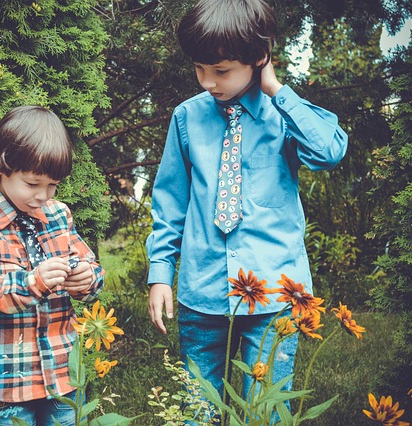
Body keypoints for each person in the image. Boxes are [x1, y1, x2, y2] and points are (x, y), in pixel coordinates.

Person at [146, 0, 348, 408]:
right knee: (197, 410)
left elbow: (329, 151)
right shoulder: (186, 119)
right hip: (201, 295)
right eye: (199, 69)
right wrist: (161, 272)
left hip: (275, 294)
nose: (207, 81)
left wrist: (276, 90)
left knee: (265, 410)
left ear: (259, 58)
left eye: (220, 71)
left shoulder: (284, 116)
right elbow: (170, 203)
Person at [0, 106, 104, 426]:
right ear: (2, 167)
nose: (44, 195)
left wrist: (87, 278)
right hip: (6, 382)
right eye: (33, 184)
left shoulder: (59, 214)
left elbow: (92, 268)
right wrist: (32, 283)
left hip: (64, 374)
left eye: (53, 185)